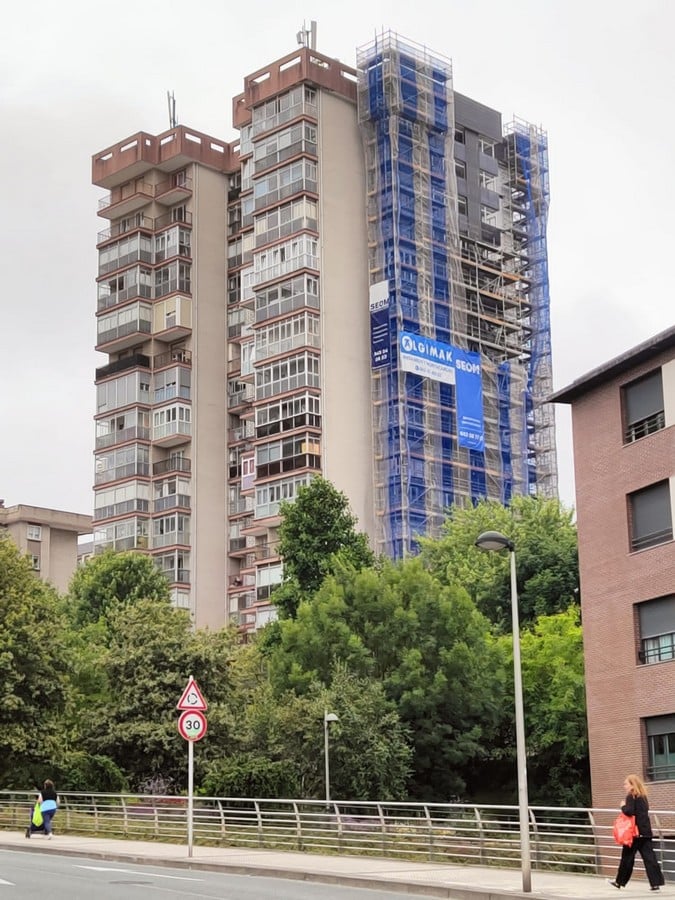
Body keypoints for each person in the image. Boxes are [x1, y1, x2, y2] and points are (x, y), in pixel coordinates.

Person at [609, 774, 665, 891]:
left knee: (627, 858)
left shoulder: (631, 796)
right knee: (650, 858)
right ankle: (655, 884)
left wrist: (622, 806)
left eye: (626, 784)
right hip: (645, 832)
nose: (624, 786)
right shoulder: (643, 797)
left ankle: (619, 882)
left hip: (633, 834)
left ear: (632, 785)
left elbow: (629, 812)